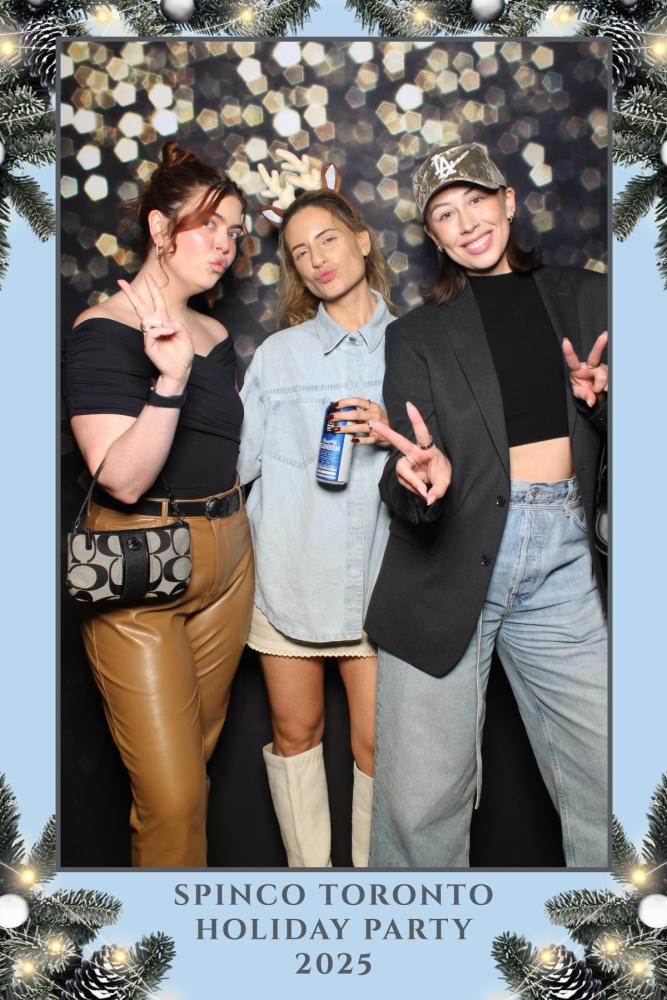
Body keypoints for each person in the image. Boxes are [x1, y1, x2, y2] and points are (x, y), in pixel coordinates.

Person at [365, 141, 608, 868]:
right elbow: (403, 467)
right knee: (421, 803)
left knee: (610, 778)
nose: (467, 221)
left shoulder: (590, 297)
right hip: (448, 561)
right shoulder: (414, 335)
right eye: (445, 214)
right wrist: (419, 479)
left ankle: (619, 928)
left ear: (507, 201)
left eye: (476, 200)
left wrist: (604, 405)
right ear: (433, 237)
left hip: (567, 563)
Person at [62, 141, 254, 867]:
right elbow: (120, 478)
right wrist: (168, 380)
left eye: (235, 232)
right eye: (210, 225)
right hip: (141, 562)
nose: (226, 245)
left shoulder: (217, 334)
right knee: (170, 799)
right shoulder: (103, 329)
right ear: (160, 227)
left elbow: (227, 445)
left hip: (229, 559)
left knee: (193, 777)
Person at [238, 183, 394, 867]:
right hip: (288, 573)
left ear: (361, 239)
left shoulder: (416, 345)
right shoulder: (278, 355)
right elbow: (238, 466)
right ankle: (310, 885)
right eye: (300, 252)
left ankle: (369, 892)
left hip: (379, 582)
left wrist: (394, 437)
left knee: (378, 746)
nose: (317, 259)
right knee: (295, 733)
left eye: (327, 239)